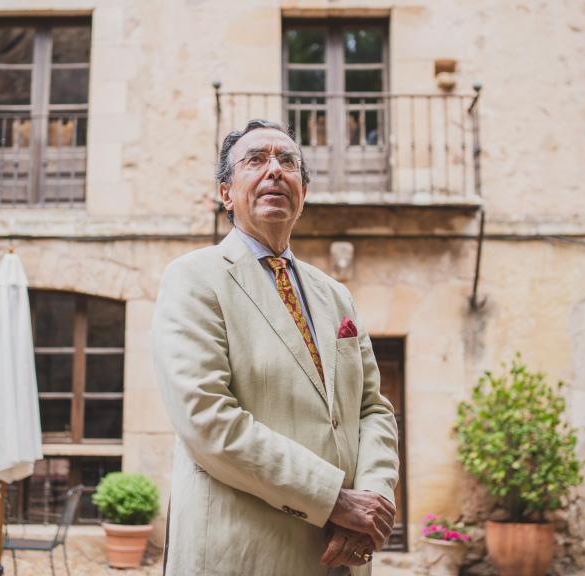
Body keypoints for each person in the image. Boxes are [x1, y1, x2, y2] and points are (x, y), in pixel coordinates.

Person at [152, 119, 400, 575]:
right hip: (242, 556)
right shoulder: (194, 278)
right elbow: (207, 420)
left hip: (341, 557)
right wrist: (334, 501)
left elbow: (373, 409)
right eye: (256, 160)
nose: (274, 171)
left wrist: (374, 501)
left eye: (288, 162)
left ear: (302, 192)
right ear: (226, 193)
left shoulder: (335, 295)